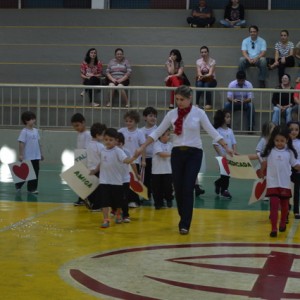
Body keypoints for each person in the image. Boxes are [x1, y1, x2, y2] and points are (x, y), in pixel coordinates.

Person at [135, 85, 233, 235]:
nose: (179, 102)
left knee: (188, 188)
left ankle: (185, 223)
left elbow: (212, 131)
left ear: (190, 99)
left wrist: (226, 147)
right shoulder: (171, 114)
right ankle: (183, 215)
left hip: (194, 154)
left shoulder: (199, 113)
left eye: (182, 99)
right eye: (177, 99)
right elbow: (157, 132)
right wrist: (142, 147)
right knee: (179, 189)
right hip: (177, 154)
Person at [256, 125, 300, 237]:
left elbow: (295, 164)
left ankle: (283, 222)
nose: (279, 143)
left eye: (282, 141)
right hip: (272, 183)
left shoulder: (289, 152)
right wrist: (261, 171)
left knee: (285, 206)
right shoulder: (269, 150)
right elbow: (264, 162)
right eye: (277, 140)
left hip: (285, 183)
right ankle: (274, 228)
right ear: (273, 140)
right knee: (274, 205)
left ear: (287, 140)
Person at [91, 128, 137, 228]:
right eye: (106, 139)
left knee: (118, 202)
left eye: (111, 140)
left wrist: (133, 158)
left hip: (116, 182)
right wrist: (95, 170)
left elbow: (126, 160)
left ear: (116, 141)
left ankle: (119, 213)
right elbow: (101, 162)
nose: (108, 142)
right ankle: (106, 219)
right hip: (104, 181)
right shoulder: (102, 150)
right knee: (104, 202)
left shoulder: (118, 151)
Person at [118, 110, 146, 208]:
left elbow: (143, 147)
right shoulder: (121, 131)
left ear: (136, 121)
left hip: (135, 161)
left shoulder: (139, 132)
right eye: (127, 121)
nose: (128, 123)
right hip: (123, 160)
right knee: (124, 181)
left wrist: (143, 160)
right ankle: (123, 200)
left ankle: (134, 200)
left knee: (133, 181)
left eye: (130, 121)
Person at [15, 111, 43, 194]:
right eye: (31, 119)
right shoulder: (24, 131)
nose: (33, 120)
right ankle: (18, 184)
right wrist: (21, 154)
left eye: (34, 118)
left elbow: (39, 143)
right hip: (28, 155)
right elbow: (21, 143)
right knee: (26, 172)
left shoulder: (36, 131)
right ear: (26, 121)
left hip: (36, 155)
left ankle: (32, 189)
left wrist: (41, 153)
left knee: (35, 172)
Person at [213, 109, 237, 199]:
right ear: (222, 118)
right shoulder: (218, 131)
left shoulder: (230, 131)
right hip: (222, 158)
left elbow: (234, 142)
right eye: (227, 117)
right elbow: (215, 144)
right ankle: (224, 190)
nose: (229, 119)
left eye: (229, 117)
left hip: (230, 156)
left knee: (227, 174)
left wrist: (234, 151)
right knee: (224, 174)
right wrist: (221, 154)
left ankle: (218, 183)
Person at [71, 113, 92, 206]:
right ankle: (81, 198)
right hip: (80, 160)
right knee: (80, 181)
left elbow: (87, 149)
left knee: (86, 180)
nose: (76, 128)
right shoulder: (79, 134)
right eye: (74, 126)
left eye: (77, 125)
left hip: (86, 161)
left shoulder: (88, 134)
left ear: (83, 123)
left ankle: (87, 198)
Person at [86, 122, 107, 211]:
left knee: (93, 188)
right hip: (98, 170)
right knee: (99, 189)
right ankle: (97, 206)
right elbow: (103, 159)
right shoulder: (100, 146)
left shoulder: (89, 145)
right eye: (103, 135)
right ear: (98, 135)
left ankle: (92, 202)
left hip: (90, 169)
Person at [151, 129, 173, 209]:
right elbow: (161, 154)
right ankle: (158, 203)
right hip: (157, 171)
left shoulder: (170, 145)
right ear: (161, 136)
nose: (168, 136)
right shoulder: (156, 144)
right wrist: (173, 154)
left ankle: (169, 200)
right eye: (167, 135)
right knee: (157, 189)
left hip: (167, 170)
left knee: (168, 187)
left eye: (169, 135)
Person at [140, 106, 158, 200]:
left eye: (155, 116)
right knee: (146, 177)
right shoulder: (141, 131)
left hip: (156, 158)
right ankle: (147, 194)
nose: (153, 118)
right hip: (145, 158)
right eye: (151, 115)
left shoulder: (158, 130)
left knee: (155, 177)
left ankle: (157, 195)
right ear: (145, 117)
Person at [288, 121, 300, 220]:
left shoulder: (299, 142)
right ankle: (286, 209)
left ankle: (296, 211)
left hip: (297, 169)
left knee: (296, 191)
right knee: (286, 190)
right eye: (291, 129)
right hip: (286, 169)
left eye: (296, 130)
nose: (294, 132)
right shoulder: (284, 141)